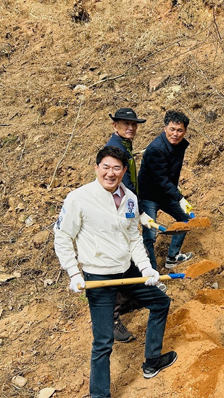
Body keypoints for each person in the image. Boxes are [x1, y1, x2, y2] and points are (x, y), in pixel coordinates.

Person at [53, 146, 177, 398]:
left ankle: (152, 361)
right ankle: (100, 395)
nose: (111, 173)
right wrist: (74, 273)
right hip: (98, 276)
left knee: (160, 303)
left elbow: (133, 238)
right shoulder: (79, 198)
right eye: (106, 167)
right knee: (103, 342)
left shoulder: (130, 198)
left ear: (123, 171)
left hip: (128, 271)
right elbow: (63, 236)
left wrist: (146, 268)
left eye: (117, 168)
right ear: (97, 167)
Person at [104, 107, 161, 343]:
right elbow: (115, 185)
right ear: (114, 126)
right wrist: (133, 213)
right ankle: (111, 318)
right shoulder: (114, 150)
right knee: (116, 258)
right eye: (125, 123)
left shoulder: (124, 146)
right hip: (113, 212)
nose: (131, 128)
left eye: (134, 124)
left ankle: (130, 299)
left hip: (125, 207)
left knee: (128, 254)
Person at [138, 110, 195, 269]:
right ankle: (152, 274)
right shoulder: (156, 149)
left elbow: (170, 173)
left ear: (184, 131)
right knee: (150, 235)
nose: (175, 134)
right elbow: (160, 179)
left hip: (165, 194)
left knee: (185, 220)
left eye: (179, 130)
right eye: (172, 129)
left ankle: (173, 257)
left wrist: (174, 189)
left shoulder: (180, 145)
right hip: (149, 195)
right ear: (165, 128)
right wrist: (180, 198)